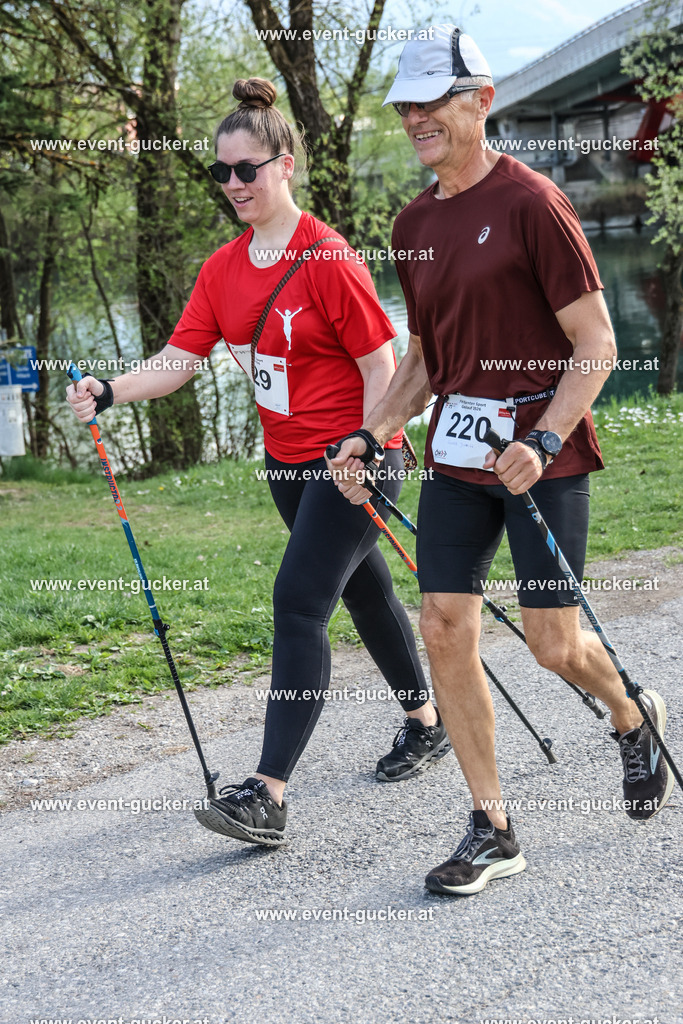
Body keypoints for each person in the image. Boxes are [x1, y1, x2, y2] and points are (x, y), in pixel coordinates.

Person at [329, 25, 674, 896]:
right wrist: (371, 434)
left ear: (479, 101)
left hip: (540, 458)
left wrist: (546, 438)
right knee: (444, 625)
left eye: (432, 102)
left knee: (554, 645)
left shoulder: (533, 204)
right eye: (405, 105)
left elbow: (593, 346)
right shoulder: (412, 221)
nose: (415, 118)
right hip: (455, 456)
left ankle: (631, 715)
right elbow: (422, 360)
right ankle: (491, 826)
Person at [67, 77, 448, 848]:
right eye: (222, 172)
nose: (234, 184)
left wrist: (368, 446)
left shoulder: (328, 258)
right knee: (365, 592)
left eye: (248, 169)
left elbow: (383, 366)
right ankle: (426, 722)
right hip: (287, 464)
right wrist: (111, 388)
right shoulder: (223, 269)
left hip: (353, 460)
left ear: (285, 166)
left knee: (299, 601)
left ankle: (267, 793)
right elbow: (179, 361)